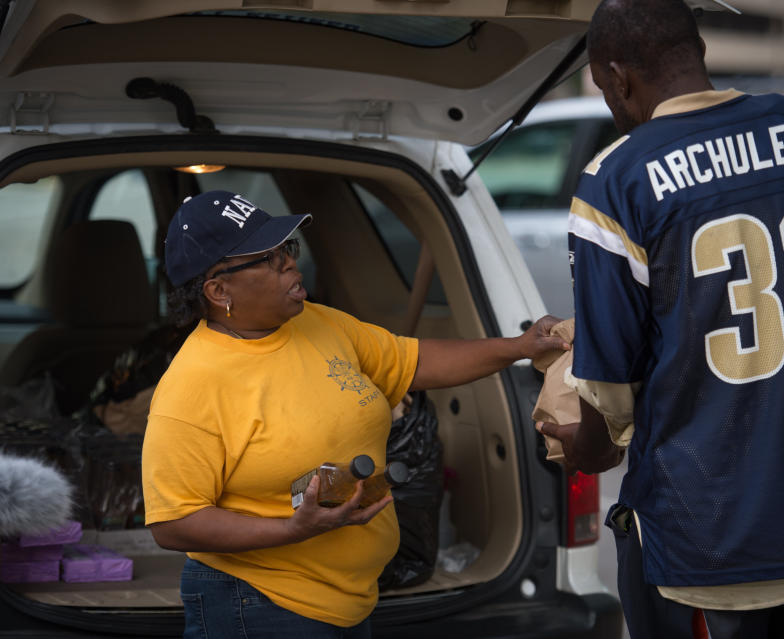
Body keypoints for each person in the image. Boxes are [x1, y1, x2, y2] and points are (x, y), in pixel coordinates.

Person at [537, 1, 784, 637]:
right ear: (696, 50)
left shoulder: (615, 179)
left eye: (601, 87)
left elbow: (611, 391)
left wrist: (583, 445)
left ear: (617, 77)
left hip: (713, 543)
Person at [141, 190, 569, 639]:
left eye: (287, 248)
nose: (288, 262)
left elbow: (413, 362)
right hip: (259, 606)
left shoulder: (318, 322)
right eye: (268, 258)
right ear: (218, 290)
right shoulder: (193, 386)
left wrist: (519, 348)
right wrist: (292, 529)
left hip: (350, 601)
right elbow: (175, 523)